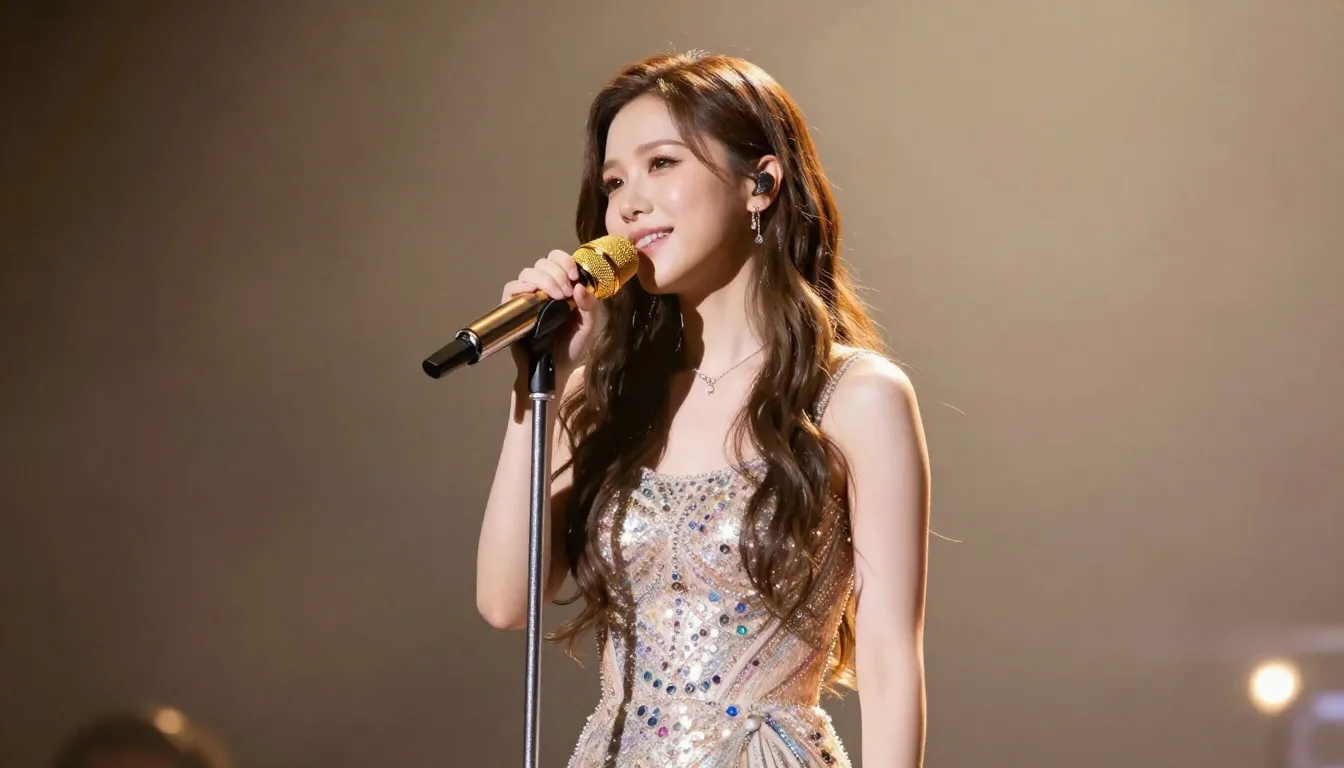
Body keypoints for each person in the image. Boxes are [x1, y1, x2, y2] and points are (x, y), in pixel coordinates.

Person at [475, 50, 930, 767]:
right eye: (614, 182)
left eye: (661, 164)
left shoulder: (855, 395)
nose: (628, 204)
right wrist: (542, 382)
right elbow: (508, 602)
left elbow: (889, 657)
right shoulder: (602, 396)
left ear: (760, 183)